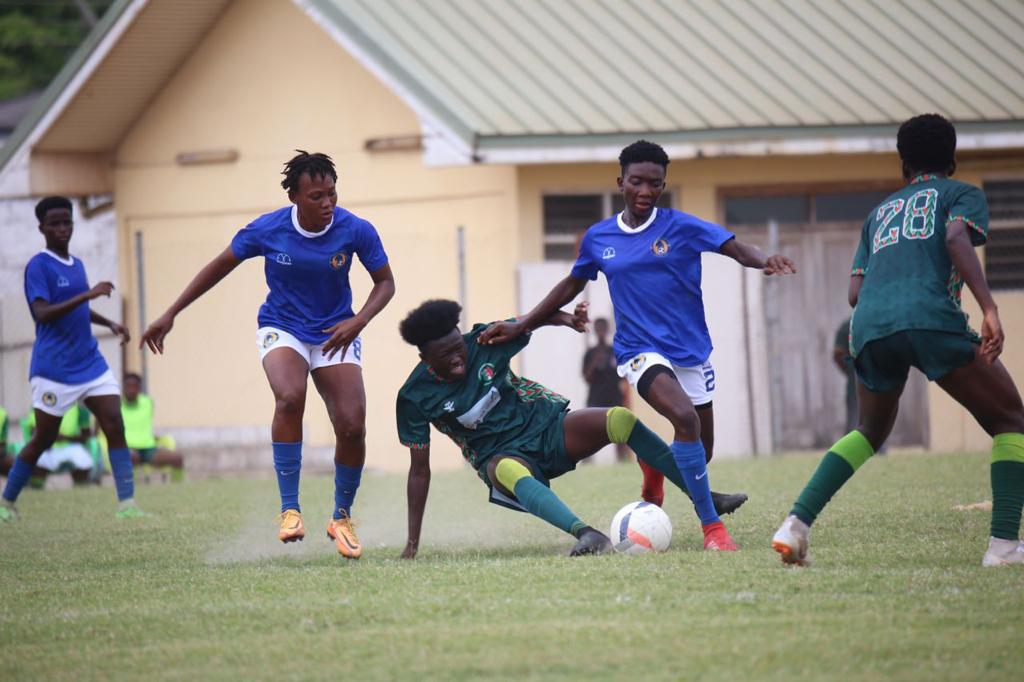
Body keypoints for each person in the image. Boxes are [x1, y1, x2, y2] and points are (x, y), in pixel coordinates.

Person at [480, 140, 794, 547]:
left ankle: (652, 463)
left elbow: (734, 247)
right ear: (621, 182)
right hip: (638, 351)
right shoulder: (599, 237)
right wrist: (522, 324)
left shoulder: (680, 226)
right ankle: (713, 529)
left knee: (700, 451)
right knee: (685, 418)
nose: (645, 191)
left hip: (691, 349)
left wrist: (764, 258)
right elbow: (571, 285)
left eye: (655, 184)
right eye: (637, 182)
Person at [772, 114, 1024, 568]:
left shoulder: (879, 213)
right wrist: (988, 307)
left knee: (868, 431)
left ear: (902, 164)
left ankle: (795, 525)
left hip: (867, 327)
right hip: (929, 317)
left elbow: (853, 293)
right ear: (952, 158)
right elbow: (954, 236)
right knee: (1010, 420)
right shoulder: (960, 193)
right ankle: (1004, 548)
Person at [141, 151, 395, 558]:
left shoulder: (355, 229)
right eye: (316, 196)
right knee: (290, 397)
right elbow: (220, 265)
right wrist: (171, 312)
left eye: (332, 193)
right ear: (293, 196)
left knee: (352, 425)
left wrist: (359, 320)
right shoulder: (268, 229)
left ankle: (341, 516)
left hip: (336, 330)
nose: (327, 203)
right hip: (283, 326)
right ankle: (290, 509)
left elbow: (385, 283)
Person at [397, 299, 740, 558]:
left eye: (459, 347)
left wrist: (565, 319)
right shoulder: (414, 397)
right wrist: (412, 543)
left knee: (619, 418)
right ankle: (588, 534)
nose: (459, 358)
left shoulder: (484, 340)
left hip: (546, 425)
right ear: (425, 360)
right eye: (447, 355)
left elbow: (528, 320)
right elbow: (419, 472)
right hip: (499, 455)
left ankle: (705, 499)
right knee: (507, 470)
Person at [1, 196, 141, 523]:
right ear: (42, 228)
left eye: (67, 222)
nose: (62, 228)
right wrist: (87, 294)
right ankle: (7, 501)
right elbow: (43, 312)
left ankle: (127, 504)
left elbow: (77, 307)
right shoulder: (39, 265)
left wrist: (109, 323)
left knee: (114, 423)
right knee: (44, 438)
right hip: (54, 369)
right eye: (55, 223)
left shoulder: (77, 264)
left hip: (89, 363)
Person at [582, 317, 630, 462]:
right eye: (599, 329)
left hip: (614, 397)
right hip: (596, 398)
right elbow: (586, 378)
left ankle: (623, 461)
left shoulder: (614, 351)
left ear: (607, 330)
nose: (601, 332)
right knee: (589, 432)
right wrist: (595, 362)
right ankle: (586, 460)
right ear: (595, 331)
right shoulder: (590, 353)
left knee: (619, 431)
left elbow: (624, 376)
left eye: (604, 329)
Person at [121, 372, 184, 480]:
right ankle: (130, 490)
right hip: (128, 448)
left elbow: (142, 425)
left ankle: (179, 488)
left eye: (134, 387)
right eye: (128, 387)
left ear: (139, 389)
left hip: (149, 449)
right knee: (131, 457)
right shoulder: (116, 405)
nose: (131, 390)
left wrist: (155, 438)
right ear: (123, 388)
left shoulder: (147, 403)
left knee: (177, 459)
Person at [26, 402, 97, 485]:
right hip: (46, 447)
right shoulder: (41, 402)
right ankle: (36, 488)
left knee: (84, 460)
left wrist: (65, 438)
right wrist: (50, 436)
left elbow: (86, 436)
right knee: (33, 459)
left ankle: (80, 486)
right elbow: (32, 431)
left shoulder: (79, 408)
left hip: (70, 447)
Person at [832, 316, 857, 433]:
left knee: (855, 418)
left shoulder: (847, 326)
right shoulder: (877, 322)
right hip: (876, 381)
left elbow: (838, 355)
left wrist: (850, 370)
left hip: (856, 381)